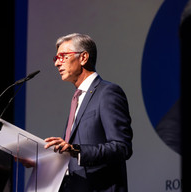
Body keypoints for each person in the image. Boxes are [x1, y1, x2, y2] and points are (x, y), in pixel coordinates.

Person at [44, 33, 133, 192]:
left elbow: (121, 147)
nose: (57, 63)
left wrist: (76, 150)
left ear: (83, 57)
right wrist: (40, 161)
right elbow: (69, 154)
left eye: (63, 56)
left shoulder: (107, 93)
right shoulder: (77, 98)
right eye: (56, 58)